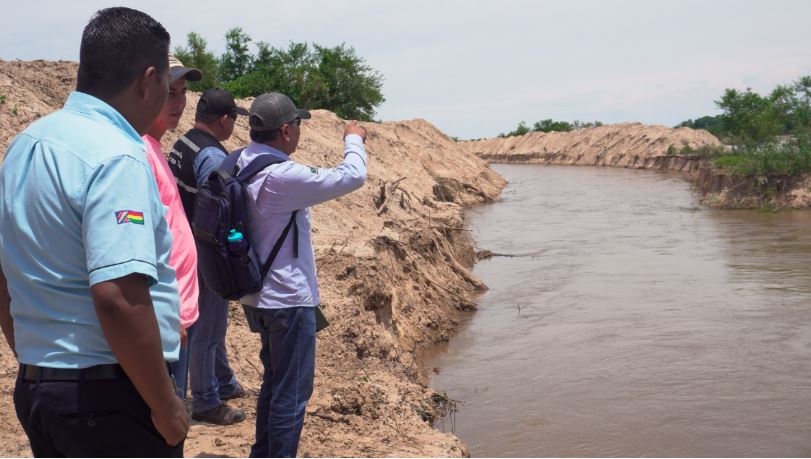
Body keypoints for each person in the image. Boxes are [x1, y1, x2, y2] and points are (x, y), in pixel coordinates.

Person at [0, 7, 188, 457]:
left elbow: (5, 272)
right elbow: (118, 297)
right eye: (167, 82)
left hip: (43, 389)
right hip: (108, 400)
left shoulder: (28, 144)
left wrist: (41, 361)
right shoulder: (116, 156)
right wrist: (165, 406)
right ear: (148, 81)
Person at [238, 92, 367, 457]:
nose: (299, 131)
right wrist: (353, 139)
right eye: (297, 124)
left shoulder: (243, 161)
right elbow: (352, 176)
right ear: (285, 130)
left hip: (257, 295)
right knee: (291, 395)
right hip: (287, 300)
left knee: (274, 384)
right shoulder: (281, 175)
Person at [169, 88, 248, 424]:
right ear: (225, 120)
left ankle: (224, 381)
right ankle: (205, 402)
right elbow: (214, 208)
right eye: (234, 120)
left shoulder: (184, 143)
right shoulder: (213, 156)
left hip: (182, 243)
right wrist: (224, 254)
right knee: (208, 328)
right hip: (203, 251)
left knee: (212, 323)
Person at [144, 54, 203, 400]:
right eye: (170, 92)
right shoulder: (138, 151)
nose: (179, 102)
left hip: (177, 313)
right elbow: (140, 244)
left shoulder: (154, 147)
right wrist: (167, 315)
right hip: (166, 319)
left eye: (183, 92)